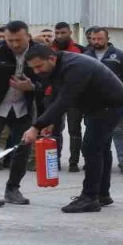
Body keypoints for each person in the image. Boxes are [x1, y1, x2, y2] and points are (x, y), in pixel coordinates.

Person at [20, 49, 123, 213]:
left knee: (91, 149)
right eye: (33, 68)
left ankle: (89, 198)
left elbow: (65, 100)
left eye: (39, 66)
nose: (37, 71)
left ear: (51, 58)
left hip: (110, 106)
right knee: (101, 149)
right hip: (99, 106)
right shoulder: (57, 66)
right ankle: (102, 194)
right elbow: (56, 95)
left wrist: (36, 126)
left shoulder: (75, 67)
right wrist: (49, 121)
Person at [0, 20, 50, 207]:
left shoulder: (40, 52)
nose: (13, 44)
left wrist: (32, 87)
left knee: (21, 149)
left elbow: (48, 80)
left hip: (23, 108)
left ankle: (13, 189)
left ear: (28, 37)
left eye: (18, 40)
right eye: (9, 40)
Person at [83, 28, 123, 175]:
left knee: (118, 132)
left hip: (114, 103)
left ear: (107, 38)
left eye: (99, 39)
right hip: (92, 104)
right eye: (93, 39)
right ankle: (93, 162)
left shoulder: (119, 56)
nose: (96, 42)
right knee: (92, 133)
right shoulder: (85, 56)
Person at [51, 22, 86, 171]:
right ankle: (54, 161)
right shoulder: (48, 50)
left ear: (70, 33)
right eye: (57, 33)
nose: (59, 36)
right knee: (54, 130)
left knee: (74, 130)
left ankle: (73, 162)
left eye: (63, 33)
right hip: (53, 95)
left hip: (75, 96)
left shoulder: (80, 50)